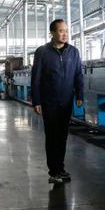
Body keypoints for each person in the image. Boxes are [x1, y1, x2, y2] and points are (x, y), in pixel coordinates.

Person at [31, 19, 84, 184]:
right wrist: (36, 100)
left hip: (66, 101)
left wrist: (80, 95)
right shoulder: (42, 52)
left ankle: (60, 168)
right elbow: (36, 77)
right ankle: (53, 171)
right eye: (61, 31)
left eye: (66, 31)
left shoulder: (73, 52)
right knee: (52, 136)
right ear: (52, 33)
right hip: (49, 101)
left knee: (62, 136)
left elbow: (78, 75)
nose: (65, 34)